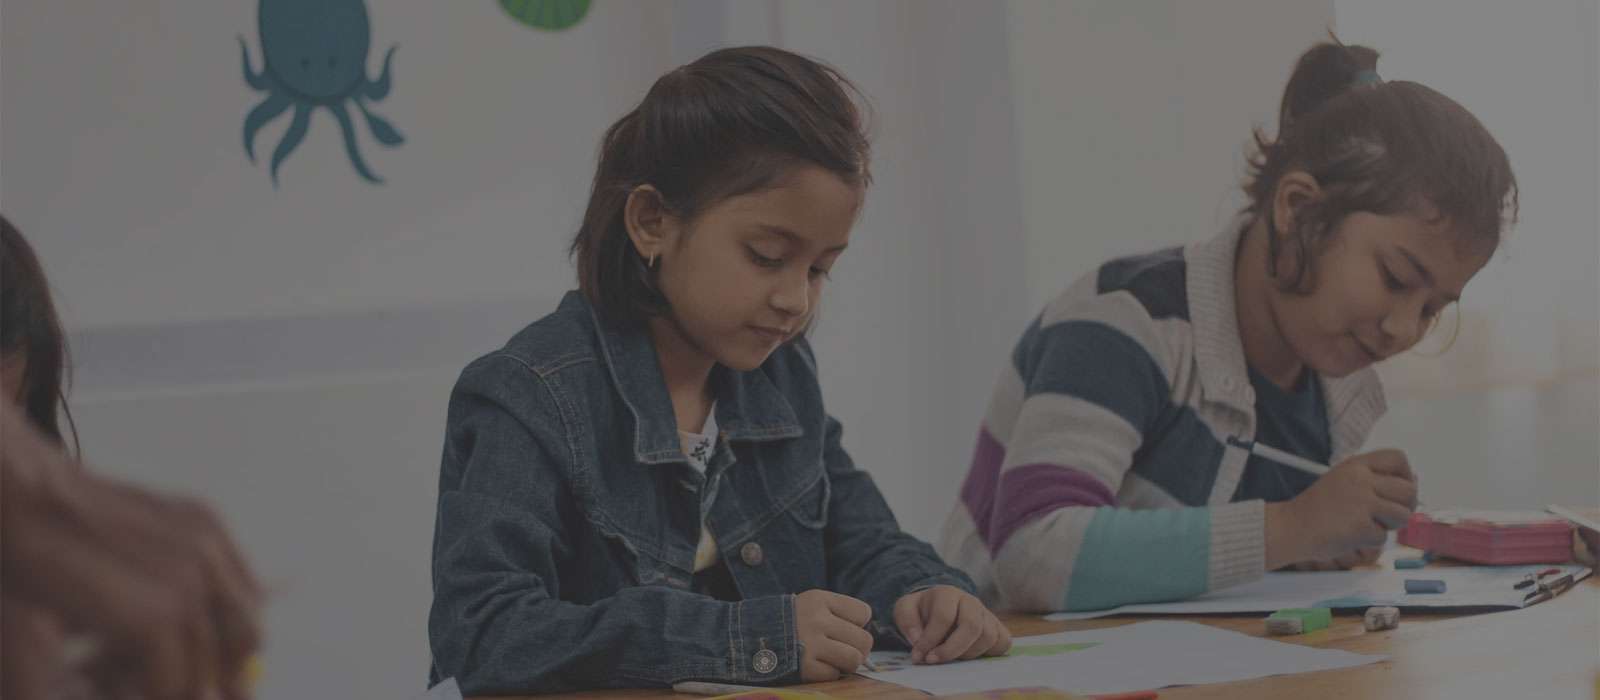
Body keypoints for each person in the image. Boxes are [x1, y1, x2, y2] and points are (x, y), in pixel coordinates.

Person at [427, 46, 1010, 694]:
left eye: (820, 269)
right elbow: (485, 634)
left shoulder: (782, 375)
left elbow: (861, 540)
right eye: (766, 256)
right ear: (651, 222)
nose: (796, 299)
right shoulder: (529, 395)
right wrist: (748, 639)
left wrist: (924, 594)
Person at [938, 39, 1518, 612]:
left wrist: (1315, 545)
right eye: (1395, 277)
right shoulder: (1124, 320)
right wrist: (1292, 527)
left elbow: (1211, 555)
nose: (1404, 329)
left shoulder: (1331, 388)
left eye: (1433, 308)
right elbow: (1034, 552)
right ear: (1297, 208)